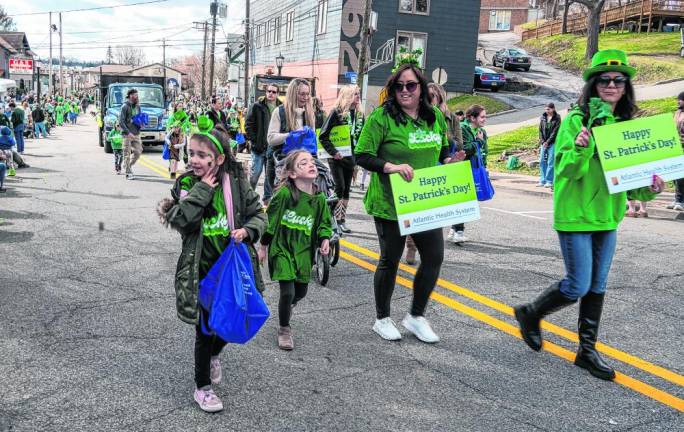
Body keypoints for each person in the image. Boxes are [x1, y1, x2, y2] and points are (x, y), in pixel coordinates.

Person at [514, 49, 665, 381]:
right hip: (575, 214)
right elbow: (564, 169)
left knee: (597, 285)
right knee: (577, 284)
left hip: (607, 217)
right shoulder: (575, 120)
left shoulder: (627, 126)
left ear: (626, 86)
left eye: (618, 80)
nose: (611, 85)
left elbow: (631, 184)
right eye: (605, 80)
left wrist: (651, 187)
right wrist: (582, 146)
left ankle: (586, 350)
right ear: (594, 84)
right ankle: (530, 312)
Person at [158, 116, 267, 413]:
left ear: (219, 158)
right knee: (204, 331)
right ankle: (202, 388)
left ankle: (215, 355)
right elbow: (183, 220)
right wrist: (203, 190)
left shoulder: (236, 184)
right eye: (191, 153)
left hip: (230, 270)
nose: (194, 160)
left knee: (228, 323)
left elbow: (260, 214)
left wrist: (247, 231)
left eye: (202, 155)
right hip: (201, 273)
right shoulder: (186, 184)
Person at [355, 62, 465, 343]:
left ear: (421, 88)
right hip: (390, 202)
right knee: (390, 260)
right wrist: (390, 166)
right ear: (393, 89)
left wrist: (450, 162)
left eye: (411, 85)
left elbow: (440, 151)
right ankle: (382, 318)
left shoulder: (434, 118)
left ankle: (416, 316)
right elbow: (363, 155)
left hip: (423, 200)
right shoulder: (381, 118)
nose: (405, 91)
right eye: (399, 86)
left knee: (434, 257)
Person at [257, 150, 333, 350]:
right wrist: (263, 246)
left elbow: (324, 224)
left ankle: (288, 305)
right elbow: (270, 223)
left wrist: (325, 238)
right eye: (303, 163)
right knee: (287, 291)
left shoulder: (319, 199)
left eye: (312, 162)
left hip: (304, 251)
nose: (310, 165)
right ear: (291, 173)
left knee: (301, 291)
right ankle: (284, 329)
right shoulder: (284, 195)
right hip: (282, 247)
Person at [319, 85, 365, 233]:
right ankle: (329, 217)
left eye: (358, 94)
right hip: (337, 157)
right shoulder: (336, 112)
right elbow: (323, 136)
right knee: (339, 188)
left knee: (346, 190)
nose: (358, 96)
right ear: (347, 95)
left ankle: (341, 220)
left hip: (351, 157)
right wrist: (334, 152)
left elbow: (360, 136)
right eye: (355, 94)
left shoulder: (359, 114)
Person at [267, 78, 315, 198]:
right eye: (302, 94)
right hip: (282, 164)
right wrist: (291, 135)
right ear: (293, 94)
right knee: (283, 199)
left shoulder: (309, 113)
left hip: (303, 165)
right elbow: (271, 138)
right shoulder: (279, 112)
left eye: (308, 94)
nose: (306, 97)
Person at [451, 104, 489, 244]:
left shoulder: (481, 131)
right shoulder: (462, 129)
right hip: (461, 168)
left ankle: (454, 229)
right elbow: (463, 150)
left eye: (485, 116)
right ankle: (458, 232)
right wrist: (478, 142)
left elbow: (484, 151)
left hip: (475, 169)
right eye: (482, 116)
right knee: (463, 200)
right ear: (472, 118)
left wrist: (484, 167)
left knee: (469, 200)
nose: (485, 119)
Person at [246, 84, 281, 199]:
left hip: (273, 148)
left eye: (274, 92)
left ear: (277, 94)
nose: (271, 93)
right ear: (266, 92)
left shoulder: (281, 108)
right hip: (259, 148)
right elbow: (248, 125)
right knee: (255, 174)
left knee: (269, 176)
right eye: (269, 91)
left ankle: (267, 199)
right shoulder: (257, 106)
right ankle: (249, 197)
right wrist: (254, 141)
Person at [119, 89, 143, 180]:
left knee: (138, 152)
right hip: (127, 134)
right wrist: (128, 133)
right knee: (127, 154)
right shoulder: (124, 106)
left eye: (137, 95)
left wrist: (141, 124)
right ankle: (128, 172)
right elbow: (121, 121)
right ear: (130, 96)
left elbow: (139, 118)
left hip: (136, 133)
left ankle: (127, 165)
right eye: (135, 95)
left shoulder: (138, 107)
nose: (137, 97)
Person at [537, 102, 561, 188]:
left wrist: (548, 142)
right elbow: (540, 130)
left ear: (553, 109)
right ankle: (542, 180)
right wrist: (543, 141)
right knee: (542, 161)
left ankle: (549, 181)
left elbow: (555, 131)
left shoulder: (557, 118)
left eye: (549, 109)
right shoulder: (543, 117)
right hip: (544, 143)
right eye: (546, 109)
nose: (547, 111)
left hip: (552, 143)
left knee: (551, 161)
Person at [668, 91, 684, 211]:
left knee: (680, 176)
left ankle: (680, 201)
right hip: (675, 147)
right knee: (675, 175)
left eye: (680, 99)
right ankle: (677, 199)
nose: (678, 101)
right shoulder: (677, 112)